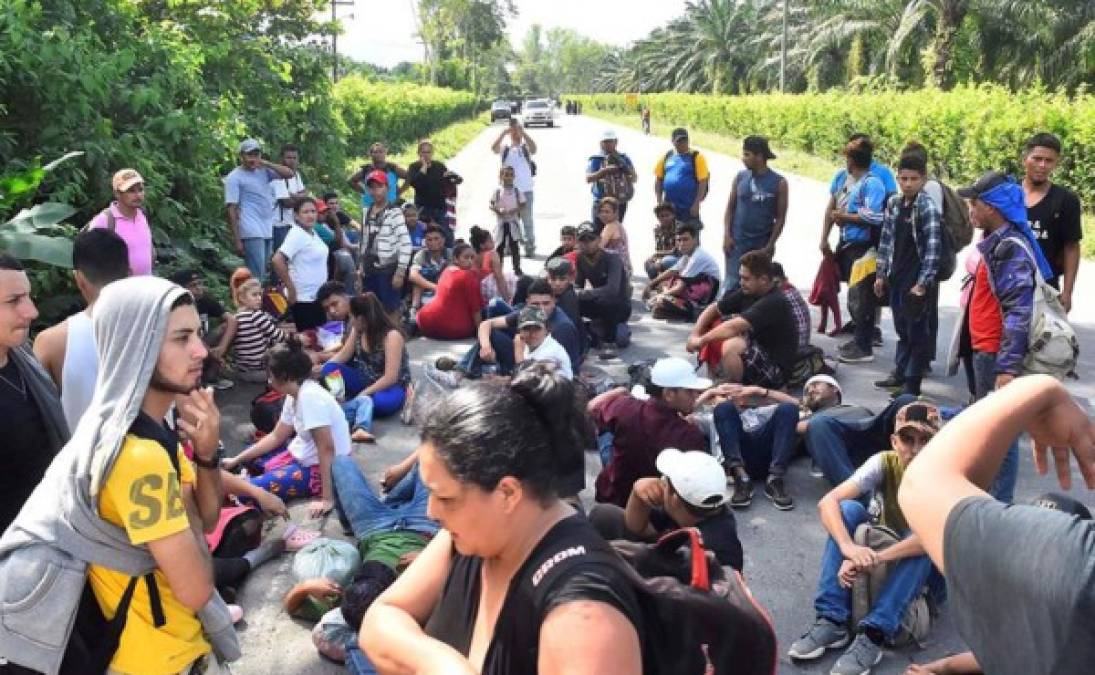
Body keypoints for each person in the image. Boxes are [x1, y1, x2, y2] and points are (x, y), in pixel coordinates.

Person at [2, 276, 237, 674]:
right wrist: (186, 511)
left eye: (197, 333)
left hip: (169, 646)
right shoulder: (136, 455)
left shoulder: (136, 426)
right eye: (181, 339)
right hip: (159, 659)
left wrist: (207, 455)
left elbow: (209, 517)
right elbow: (197, 588)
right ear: (138, 345)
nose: (200, 350)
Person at [359, 364, 643, 674]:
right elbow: (381, 618)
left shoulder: (585, 619)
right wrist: (443, 664)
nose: (431, 512)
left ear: (507, 493)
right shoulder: (475, 536)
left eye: (446, 498)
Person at [898, 375, 1095, 675]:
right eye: (907, 439)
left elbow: (922, 485)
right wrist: (949, 666)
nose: (914, 447)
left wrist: (1041, 388)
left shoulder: (1076, 571)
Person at [789, 402, 941, 675]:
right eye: (908, 439)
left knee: (923, 537)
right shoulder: (885, 461)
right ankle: (832, 619)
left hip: (925, 568)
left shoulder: (944, 475)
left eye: (925, 440)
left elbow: (928, 540)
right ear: (895, 441)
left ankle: (874, 634)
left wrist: (869, 558)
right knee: (848, 509)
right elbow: (828, 502)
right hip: (888, 546)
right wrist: (849, 549)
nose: (916, 450)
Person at [296, 454, 437, 673]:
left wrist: (303, 587)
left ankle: (390, 501)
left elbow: (293, 606)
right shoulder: (414, 597)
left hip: (372, 527)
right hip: (424, 526)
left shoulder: (346, 599)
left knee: (341, 462)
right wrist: (433, 561)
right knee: (431, 460)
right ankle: (394, 499)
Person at [958, 170, 1044, 503]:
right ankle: (988, 498)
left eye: (974, 203)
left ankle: (996, 504)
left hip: (995, 353)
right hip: (984, 347)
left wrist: (1007, 367)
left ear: (992, 207)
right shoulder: (998, 241)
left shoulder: (1009, 247)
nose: (970, 210)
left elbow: (1018, 312)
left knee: (999, 436)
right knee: (989, 428)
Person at [223, 339, 352, 517]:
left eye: (270, 375)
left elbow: (326, 448)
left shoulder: (310, 398)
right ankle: (247, 475)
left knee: (248, 493)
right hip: (303, 455)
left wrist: (327, 499)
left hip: (321, 470)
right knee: (247, 455)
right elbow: (277, 436)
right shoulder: (295, 394)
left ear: (284, 375)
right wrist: (235, 460)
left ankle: (250, 484)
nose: (268, 381)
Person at [34, 228, 130, 429]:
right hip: (154, 456)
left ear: (78, 279)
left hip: (83, 458)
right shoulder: (165, 330)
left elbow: (37, 414)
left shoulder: (53, 342)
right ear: (129, 272)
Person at [0, 254, 68, 534]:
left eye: (28, 297)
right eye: (13, 301)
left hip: (50, 534)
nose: (31, 311)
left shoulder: (23, 356)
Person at [589, 448, 743, 571]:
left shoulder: (713, 548)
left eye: (665, 481)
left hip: (680, 595)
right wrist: (637, 495)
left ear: (675, 499)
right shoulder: (695, 511)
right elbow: (637, 527)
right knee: (604, 515)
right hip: (672, 566)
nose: (661, 483)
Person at [590, 357, 711, 507]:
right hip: (654, 509)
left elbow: (592, 407)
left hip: (614, 495)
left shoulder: (625, 407)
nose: (696, 395)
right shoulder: (689, 434)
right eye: (689, 391)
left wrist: (621, 391)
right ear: (668, 394)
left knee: (606, 430)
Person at [871, 154, 943, 394]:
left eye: (914, 179)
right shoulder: (894, 203)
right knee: (902, 329)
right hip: (896, 278)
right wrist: (881, 274)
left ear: (923, 180)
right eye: (904, 178)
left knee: (917, 333)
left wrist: (922, 284)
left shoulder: (927, 207)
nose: (908, 183)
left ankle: (912, 383)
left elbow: (933, 249)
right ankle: (899, 373)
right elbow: (886, 240)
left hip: (916, 282)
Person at [820, 137, 887, 363]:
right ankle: (859, 338)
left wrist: (844, 217)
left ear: (851, 161)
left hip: (864, 249)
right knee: (855, 296)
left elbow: (875, 216)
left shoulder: (872, 183)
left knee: (863, 296)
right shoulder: (852, 181)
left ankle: (864, 345)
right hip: (849, 245)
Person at [687, 250, 797, 389]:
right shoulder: (749, 290)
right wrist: (695, 334)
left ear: (763, 280)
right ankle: (717, 378)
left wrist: (701, 341)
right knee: (714, 323)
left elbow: (734, 327)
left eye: (746, 278)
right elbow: (713, 308)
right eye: (741, 277)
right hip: (757, 352)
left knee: (731, 344)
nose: (741, 282)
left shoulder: (774, 301)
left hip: (776, 372)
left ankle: (734, 389)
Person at [322, 293, 411, 444]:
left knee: (380, 404)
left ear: (361, 318)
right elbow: (344, 355)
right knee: (329, 369)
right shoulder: (358, 330)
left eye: (352, 317)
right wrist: (321, 369)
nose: (350, 321)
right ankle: (349, 403)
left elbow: (390, 377)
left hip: (389, 386)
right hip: (364, 378)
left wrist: (364, 393)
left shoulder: (391, 336)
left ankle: (357, 405)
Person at [463, 278, 580, 378]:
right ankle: (463, 369)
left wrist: (518, 354)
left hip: (549, 377)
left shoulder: (562, 328)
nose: (541, 309)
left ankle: (469, 368)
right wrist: (486, 347)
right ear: (527, 303)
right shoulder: (529, 313)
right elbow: (486, 324)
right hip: (529, 364)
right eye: (536, 304)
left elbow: (538, 379)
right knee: (493, 329)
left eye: (546, 303)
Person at [712, 385, 802, 511]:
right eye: (724, 394)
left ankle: (775, 479)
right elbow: (684, 414)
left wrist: (759, 390)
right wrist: (710, 393)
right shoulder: (711, 418)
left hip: (768, 458)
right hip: (738, 462)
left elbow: (796, 404)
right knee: (723, 409)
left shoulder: (759, 412)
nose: (730, 396)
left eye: (735, 392)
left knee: (788, 408)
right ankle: (742, 479)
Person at [1022, 132, 1083, 312]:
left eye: (1049, 161)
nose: (1042, 165)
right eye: (1037, 158)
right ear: (1025, 159)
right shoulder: (1009, 194)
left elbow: (1071, 247)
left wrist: (1067, 292)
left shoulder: (1066, 200)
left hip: (1045, 288)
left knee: (1043, 339)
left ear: (1056, 163)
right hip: (1005, 284)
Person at [723, 136, 789, 291]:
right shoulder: (740, 177)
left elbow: (780, 218)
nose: (743, 158)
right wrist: (727, 235)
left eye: (747, 154)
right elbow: (730, 209)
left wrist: (770, 244)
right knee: (732, 284)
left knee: (757, 287)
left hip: (761, 244)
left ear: (760, 156)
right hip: (737, 243)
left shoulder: (779, 183)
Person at [225, 138, 294, 280]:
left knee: (262, 272)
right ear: (241, 156)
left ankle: (256, 299)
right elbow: (231, 209)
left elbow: (289, 173)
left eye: (256, 155)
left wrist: (265, 163)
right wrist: (237, 239)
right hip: (250, 228)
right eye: (249, 155)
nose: (252, 159)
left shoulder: (263, 172)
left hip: (267, 229)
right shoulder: (234, 177)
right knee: (257, 274)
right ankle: (253, 301)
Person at [169, 270, 237, 390]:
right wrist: (212, 354)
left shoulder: (204, 299)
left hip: (204, 341)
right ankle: (191, 378)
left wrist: (222, 347)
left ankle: (211, 376)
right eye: (193, 285)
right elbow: (188, 336)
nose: (199, 288)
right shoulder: (178, 306)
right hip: (186, 345)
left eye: (200, 283)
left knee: (226, 327)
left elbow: (232, 320)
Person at [574, 222, 632, 359]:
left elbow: (612, 290)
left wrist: (583, 294)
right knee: (570, 298)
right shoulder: (580, 258)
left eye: (591, 239)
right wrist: (574, 292)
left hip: (618, 305)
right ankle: (583, 333)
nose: (587, 243)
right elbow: (578, 284)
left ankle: (609, 341)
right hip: (598, 302)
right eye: (583, 240)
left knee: (621, 338)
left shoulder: (612, 258)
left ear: (599, 240)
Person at [272, 197, 330, 332]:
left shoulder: (312, 233)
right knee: (310, 341)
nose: (310, 215)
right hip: (303, 298)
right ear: (296, 216)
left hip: (317, 296)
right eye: (305, 212)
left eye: (313, 211)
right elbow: (277, 259)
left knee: (319, 338)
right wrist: (291, 288)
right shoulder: (296, 234)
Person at [360, 170, 413, 314]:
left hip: (388, 269)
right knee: (370, 309)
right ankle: (376, 337)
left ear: (387, 188)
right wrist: (360, 268)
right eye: (371, 187)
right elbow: (364, 240)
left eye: (379, 186)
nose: (375, 191)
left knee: (391, 309)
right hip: (369, 268)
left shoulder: (394, 213)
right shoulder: (367, 211)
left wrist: (400, 272)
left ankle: (394, 336)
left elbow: (405, 243)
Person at [644, 222, 720, 322]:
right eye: (679, 240)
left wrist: (662, 294)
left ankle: (694, 312)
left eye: (685, 239)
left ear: (695, 240)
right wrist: (651, 284)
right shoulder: (687, 256)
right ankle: (672, 309)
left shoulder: (698, 257)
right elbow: (672, 271)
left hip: (702, 300)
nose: (682, 243)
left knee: (660, 300)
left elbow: (679, 287)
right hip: (690, 292)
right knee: (660, 296)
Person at [86, 168, 154, 275]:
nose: (138, 195)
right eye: (131, 191)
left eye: (140, 190)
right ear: (117, 194)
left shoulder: (142, 217)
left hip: (146, 287)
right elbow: (89, 257)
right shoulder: (104, 221)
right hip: (118, 288)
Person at [415, 242, 484, 340]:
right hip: (454, 329)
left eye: (472, 258)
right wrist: (481, 333)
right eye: (466, 257)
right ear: (456, 259)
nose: (470, 261)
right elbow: (476, 309)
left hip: (426, 322)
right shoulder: (468, 276)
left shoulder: (447, 271)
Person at [491, 119, 538, 257]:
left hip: (526, 189)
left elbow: (534, 149)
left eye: (517, 128)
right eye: (513, 129)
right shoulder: (505, 148)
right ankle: (507, 246)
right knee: (507, 219)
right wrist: (503, 133)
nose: (515, 132)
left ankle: (530, 247)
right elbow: (494, 149)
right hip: (507, 190)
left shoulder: (525, 147)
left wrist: (523, 133)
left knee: (527, 220)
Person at [230, 278, 286, 383]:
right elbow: (279, 336)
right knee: (288, 349)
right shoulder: (256, 315)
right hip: (260, 370)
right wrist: (295, 338)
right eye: (254, 295)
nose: (259, 298)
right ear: (242, 298)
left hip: (243, 370)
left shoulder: (237, 316)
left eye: (260, 295)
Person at [654, 127, 709, 225]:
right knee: (669, 237)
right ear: (673, 141)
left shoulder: (696, 157)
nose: (682, 143)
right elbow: (659, 179)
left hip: (689, 208)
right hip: (670, 208)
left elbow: (703, 181)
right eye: (679, 141)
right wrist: (659, 201)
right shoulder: (667, 157)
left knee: (689, 237)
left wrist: (697, 203)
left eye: (685, 140)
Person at [586, 130, 637, 223]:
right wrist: (605, 171)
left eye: (610, 141)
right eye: (605, 142)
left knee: (616, 232)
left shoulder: (624, 158)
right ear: (601, 143)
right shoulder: (596, 159)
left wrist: (624, 167)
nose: (608, 144)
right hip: (601, 202)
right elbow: (588, 178)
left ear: (616, 142)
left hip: (619, 202)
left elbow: (634, 178)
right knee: (598, 232)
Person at [405, 140, 452, 235]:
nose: (426, 155)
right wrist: (424, 167)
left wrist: (451, 177)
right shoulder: (413, 167)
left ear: (432, 153)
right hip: (422, 208)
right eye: (423, 152)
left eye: (428, 152)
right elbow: (415, 183)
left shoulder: (439, 166)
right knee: (425, 235)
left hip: (439, 207)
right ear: (418, 153)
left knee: (444, 235)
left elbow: (448, 183)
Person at [513, 306, 573, 379]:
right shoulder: (529, 344)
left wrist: (518, 354)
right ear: (520, 331)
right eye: (526, 328)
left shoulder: (551, 352)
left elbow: (525, 383)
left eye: (537, 328)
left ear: (547, 329)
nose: (532, 333)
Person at [489, 165, 526, 275]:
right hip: (501, 223)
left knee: (514, 246)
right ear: (501, 176)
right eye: (506, 175)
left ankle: (517, 268)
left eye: (510, 175)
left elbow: (523, 203)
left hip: (513, 222)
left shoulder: (517, 191)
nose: (508, 177)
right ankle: (499, 268)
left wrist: (516, 209)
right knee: (499, 246)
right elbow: (491, 204)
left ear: (514, 176)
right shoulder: (497, 191)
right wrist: (498, 210)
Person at [408, 225, 452, 314]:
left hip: (448, 291)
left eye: (436, 239)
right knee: (418, 280)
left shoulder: (451, 254)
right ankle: (414, 310)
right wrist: (435, 287)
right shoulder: (421, 254)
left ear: (443, 240)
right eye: (429, 239)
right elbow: (413, 275)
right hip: (428, 290)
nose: (433, 242)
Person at [272, 144, 309, 253]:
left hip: (292, 223)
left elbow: (304, 195)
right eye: (288, 158)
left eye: (294, 158)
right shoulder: (276, 175)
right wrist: (301, 197)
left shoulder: (296, 175)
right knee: (280, 257)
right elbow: (286, 202)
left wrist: (294, 196)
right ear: (281, 159)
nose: (292, 161)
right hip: (277, 225)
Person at [349, 142, 406, 210]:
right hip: (369, 205)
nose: (378, 154)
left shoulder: (392, 168)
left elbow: (409, 177)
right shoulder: (366, 169)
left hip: (391, 204)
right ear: (370, 154)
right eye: (375, 152)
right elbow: (351, 181)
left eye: (381, 152)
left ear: (385, 153)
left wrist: (400, 191)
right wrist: (364, 191)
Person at [470, 225, 512, 305]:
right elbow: (499, 278)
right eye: (490, 240)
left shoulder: (471, 256)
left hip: (475, 293)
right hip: (489, 294)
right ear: (482, 245)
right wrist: (507, 299)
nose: (493, 241)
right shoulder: (492, 254)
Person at [595, 196, 633, 278]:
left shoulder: (610, 226)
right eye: (601, 211)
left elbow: (598, 248)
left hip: (616, 269)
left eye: (607, 212)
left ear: (615, 213)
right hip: (624, 268)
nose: (603, 214)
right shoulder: (618, 225)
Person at [645, 201, 680, 279]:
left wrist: (657, 255)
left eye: (667, 215)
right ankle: (656, 285)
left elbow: (676, 251)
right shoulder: (658, 230)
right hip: (664, 257)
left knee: (665, 261)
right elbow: (659, 248)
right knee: (648, 262)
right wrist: (656, 258)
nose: (664, 218)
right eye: (661, 216)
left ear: (673, 215)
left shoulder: (680, 228)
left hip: (680, 259)